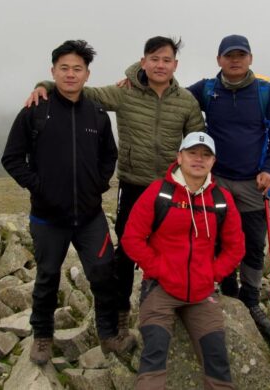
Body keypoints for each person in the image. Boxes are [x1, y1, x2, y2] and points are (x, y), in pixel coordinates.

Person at [25, 36, 205, 335]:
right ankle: (121, 309)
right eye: (154, 59)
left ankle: (170, 302)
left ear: (175, 64)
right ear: (144, 61)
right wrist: (46, 84)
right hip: (133, 185)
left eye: (166, 60)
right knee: (127, 249)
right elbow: (80, 89)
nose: (160, 65)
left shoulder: (186, 101)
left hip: (171, 188)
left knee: (172, 245)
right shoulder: (125, 93)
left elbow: (197, 142)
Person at [1, 39, 135, 365]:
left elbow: (109, 156)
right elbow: (12, 158)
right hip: (48, 218)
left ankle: (108, 335)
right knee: (47, 276)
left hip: (90, 216)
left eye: (77, 69)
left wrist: (98, 185)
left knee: (103, 274)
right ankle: (43, 336)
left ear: (87, 74)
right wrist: (39, 187)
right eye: (64, 68)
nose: (71, 74)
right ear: (53, 72)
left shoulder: (98, 115)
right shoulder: (35, 112)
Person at [121, 131, 244, 390]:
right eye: (192, 153)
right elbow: (132, 238)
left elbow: (236, 247)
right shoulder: (159, 192)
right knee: (154, 354)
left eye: (205, 155)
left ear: (213, 161)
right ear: (179, 157)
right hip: (161, 289)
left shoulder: (221, 199)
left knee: (217, 359)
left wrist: (212, 274)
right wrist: (159, 270)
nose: (198, 159)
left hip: (201, 293)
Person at [187, 34, 270, 340]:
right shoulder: (206, 90)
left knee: (254, 243)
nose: (235, 60)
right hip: (216, 181)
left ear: (250, 59)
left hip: (252, 183)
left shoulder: (265, 92)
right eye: (229, 55)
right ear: (219, 60)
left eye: (241, 55)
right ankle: (227, 290)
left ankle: (252, 299)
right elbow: (167, 95)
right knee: (217, 238)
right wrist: (136, 76)